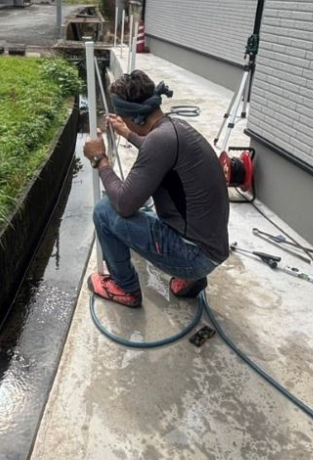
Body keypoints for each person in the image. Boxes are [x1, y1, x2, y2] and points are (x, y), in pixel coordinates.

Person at [83, 69, 230, 308]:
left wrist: (100, 159)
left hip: (195, 256)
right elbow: (155, 150)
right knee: (149, 209)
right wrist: (127, 132)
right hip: (210, 245)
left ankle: (125, 287)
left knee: (105, 210)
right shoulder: (174, 127)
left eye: (124, 117)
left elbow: (124, 204)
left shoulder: (159, 141)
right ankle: (189, 279)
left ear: (135, 117)